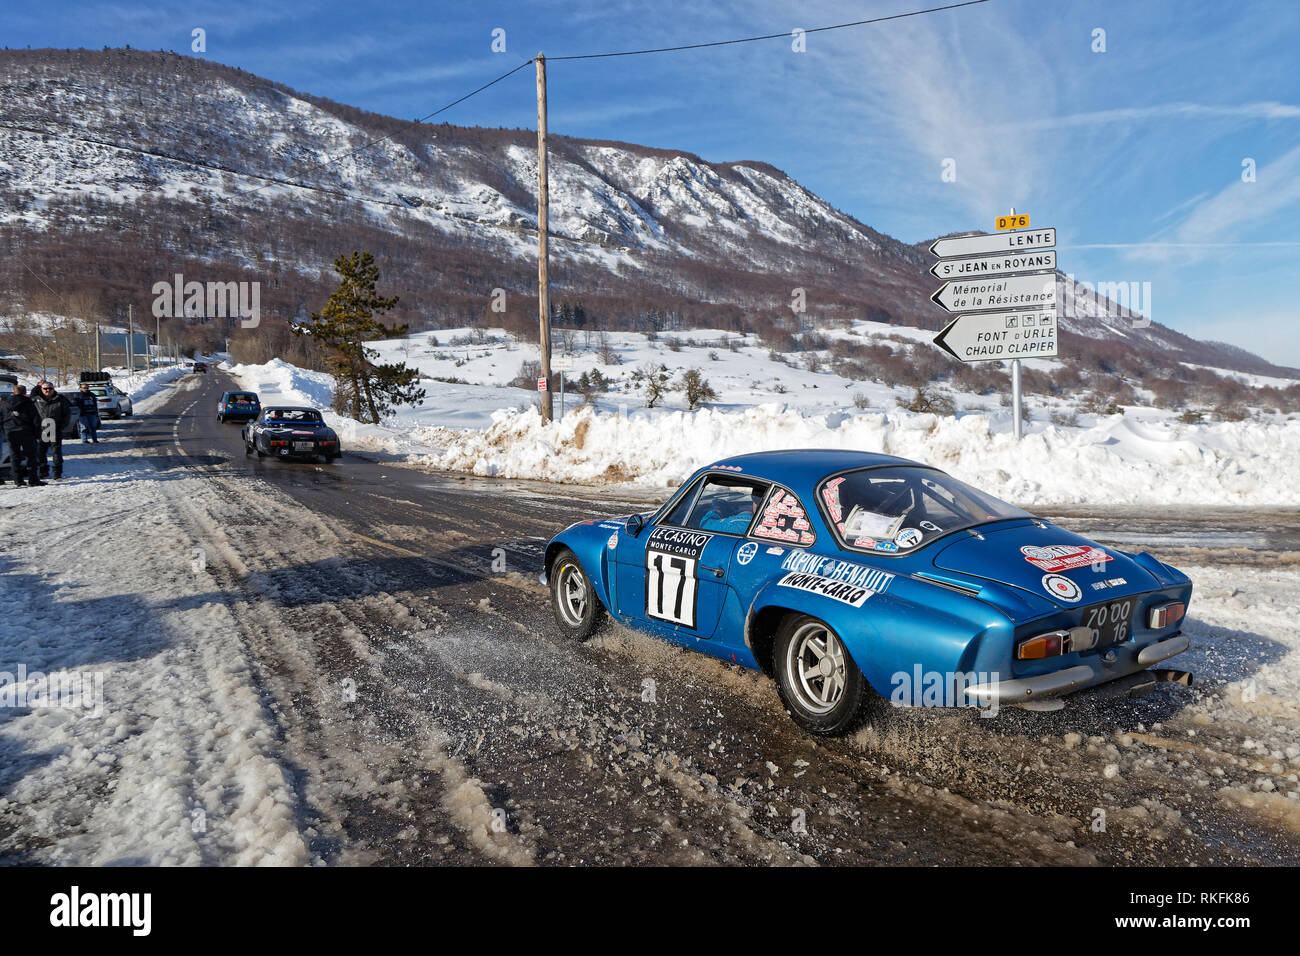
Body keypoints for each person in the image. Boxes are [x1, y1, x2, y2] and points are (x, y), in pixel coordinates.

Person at [1, 383, 44, 487]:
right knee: (30, 456)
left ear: (13, 392)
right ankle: (33, 479)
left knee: (14, 456)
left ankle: (18, 480)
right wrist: (38, 434)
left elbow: (1, 418)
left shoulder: (5, 404)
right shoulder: (29, 403)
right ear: (25, 393)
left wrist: (4, 430)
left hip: (10, 432)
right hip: (26, 432)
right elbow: (36, 420)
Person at [33, 381, 71, 480]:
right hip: (42, 429)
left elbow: (67, 414)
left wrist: (61, 426)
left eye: (50, 388)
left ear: (53, 389)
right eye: (45, 388)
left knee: (56, 452)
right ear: (41, 389)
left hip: (55, 428)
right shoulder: (36, 400)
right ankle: (43, 470)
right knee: (40, 452)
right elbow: (31, 415)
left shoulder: (60, 399)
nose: (48, 390)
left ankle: (57, 472)